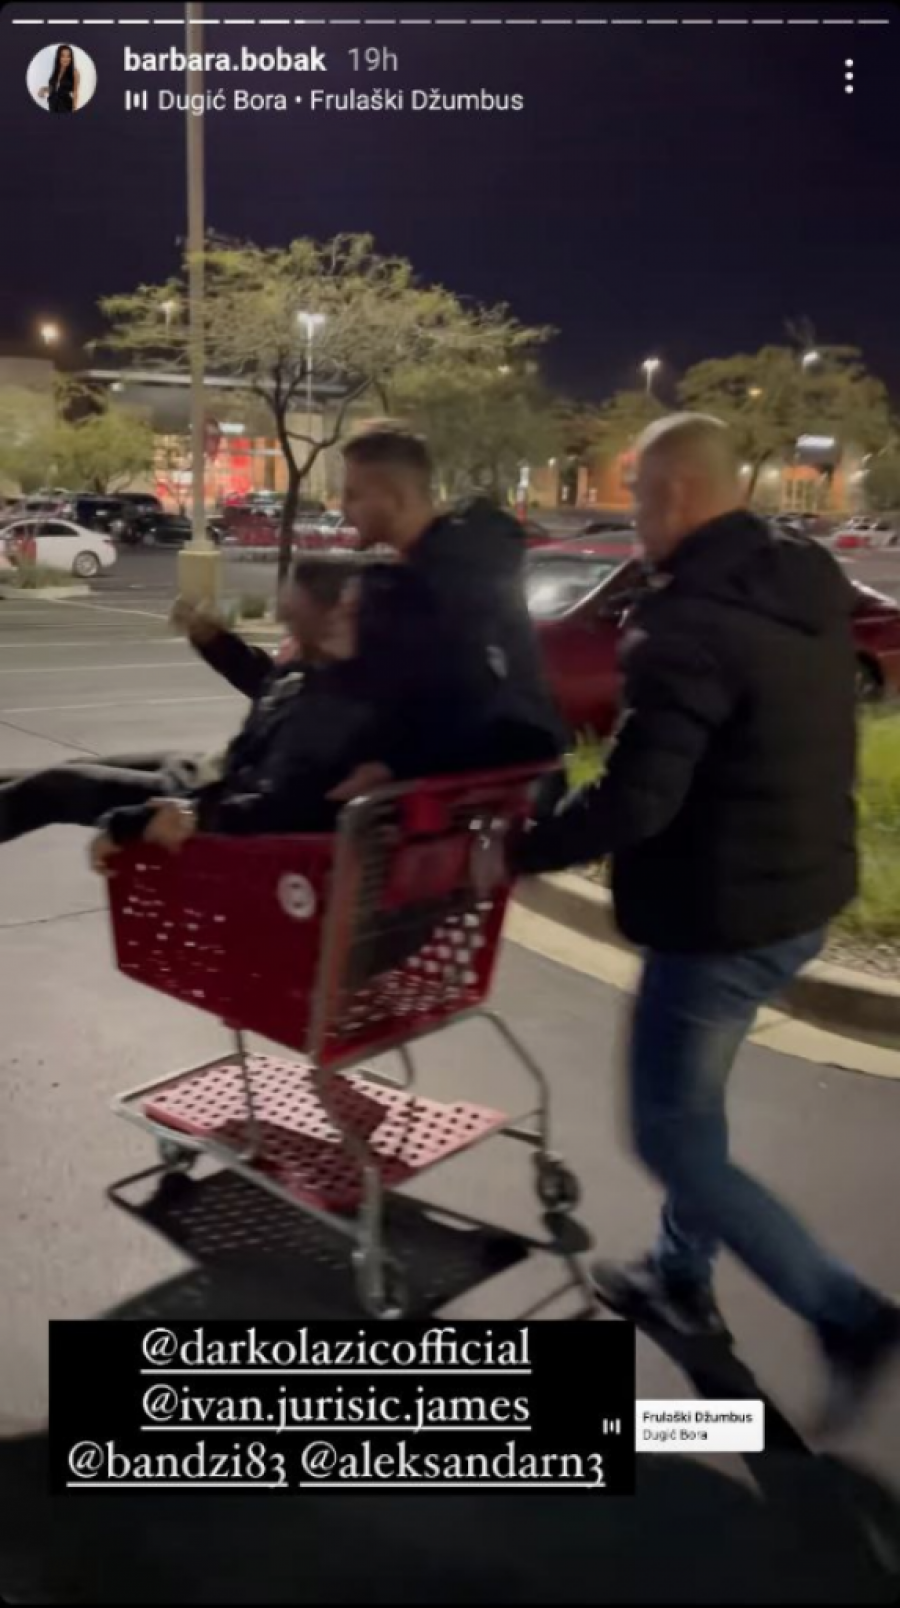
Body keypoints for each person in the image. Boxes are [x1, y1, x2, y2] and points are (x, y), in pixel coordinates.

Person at [507, 412, 898, 1427]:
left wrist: (515, 852)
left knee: (669, 1137)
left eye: (639, 496)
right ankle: (681, 1274)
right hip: (802, 895)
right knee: (696, 1111)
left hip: (721, 917)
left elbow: (638, 799)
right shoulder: (800, 573)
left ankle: (847, 1312)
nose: (632, 515)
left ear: (676, 495)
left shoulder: (684, 625)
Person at [0, 560, 371, 857]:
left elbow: (274, 802)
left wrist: (133, 823)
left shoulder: (339, 708)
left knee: (56, 788)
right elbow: (266, 684)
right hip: (208, 774)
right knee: (61, 773)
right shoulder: (315, 670)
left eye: (293, 612)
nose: (284, 619)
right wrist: (214, 641)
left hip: (207, 795)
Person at [334, 423, 566, 800]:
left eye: (353, 495)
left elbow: (474, 710)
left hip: (465, 799)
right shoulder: (432, 568)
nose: (343, 509)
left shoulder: (454, 579)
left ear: (393, 498)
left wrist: (392, 767)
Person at [39, 45, 79, 113]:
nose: (66, 59)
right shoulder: (56, 71)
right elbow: (54, 89)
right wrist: (43, 89)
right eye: (63, 56)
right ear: (58, 57)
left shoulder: (74, 72)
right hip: (52, 104)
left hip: (65, 106)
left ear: (71, 58)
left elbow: (75, 92)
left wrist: (74, 108)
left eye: (68, 56)